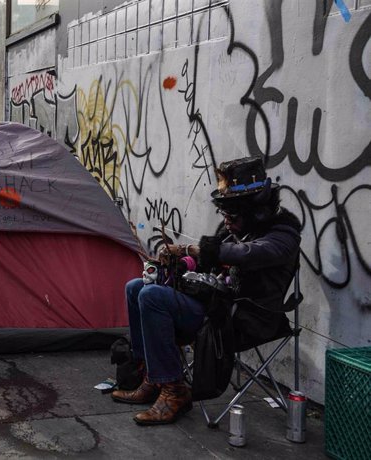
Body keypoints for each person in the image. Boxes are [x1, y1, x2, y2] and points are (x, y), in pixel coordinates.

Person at [111, 156, 301, 426]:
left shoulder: (283, 234)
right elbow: (208, 259)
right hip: (218, 306)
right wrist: (181, 261)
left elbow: (248, 254)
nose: (226, 221)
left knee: (152, 297)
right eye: (224, 214)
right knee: (136, 287)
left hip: (246, 317)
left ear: (255, 212)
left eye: (232, 216)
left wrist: (193, 249)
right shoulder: (232, 228)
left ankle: (173, 390)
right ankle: (151, 378)